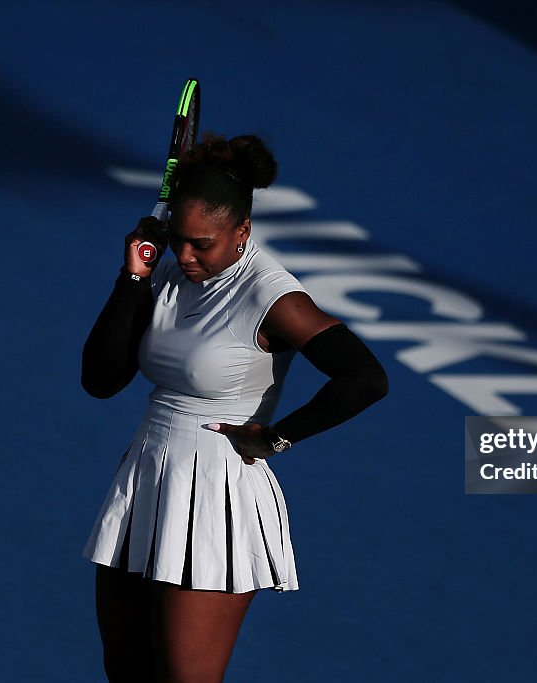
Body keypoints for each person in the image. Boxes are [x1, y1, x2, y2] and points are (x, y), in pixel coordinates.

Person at [79, 133, 388, 682]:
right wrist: (133, 276)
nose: (187, 255)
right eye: (177, 239)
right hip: (148, 479)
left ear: (242, 230)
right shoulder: (170, 271)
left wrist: (274, 439)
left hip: (217, 500)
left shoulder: (274, 298)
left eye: (203, 243)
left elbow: (365, 378)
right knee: (126, 669)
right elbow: (101, 380)